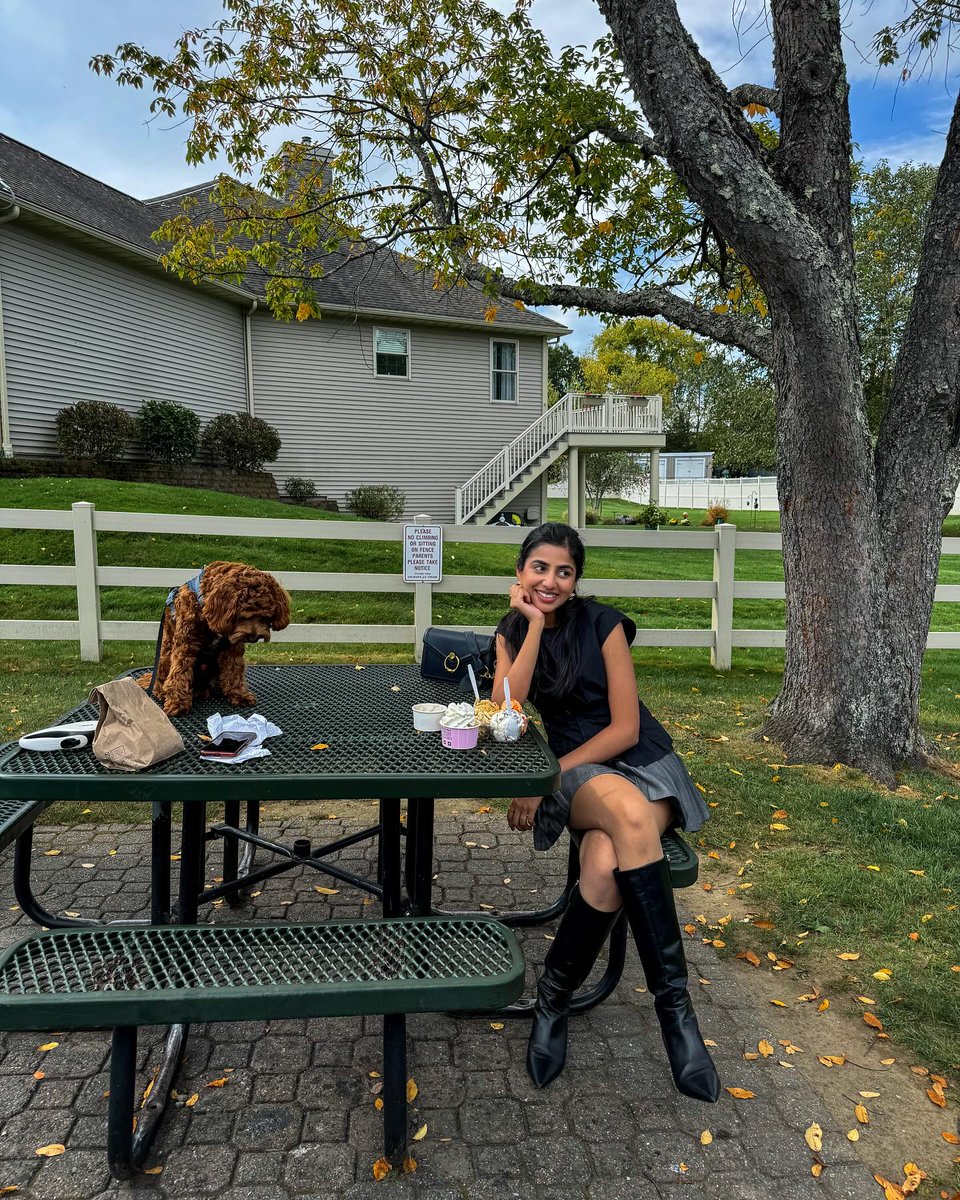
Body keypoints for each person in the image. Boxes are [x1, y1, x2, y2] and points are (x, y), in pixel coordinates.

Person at [492, 522, 720, 1102]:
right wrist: (535, 627)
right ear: (520, 572)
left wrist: (550, 775)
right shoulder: (512, 631)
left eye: (563, 571)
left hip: (643, 763)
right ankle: (679, 1020)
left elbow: (625, 728)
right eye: (540, 568)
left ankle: (554, 1001)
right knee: (631, 819)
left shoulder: (606, 624)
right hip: (582, 773)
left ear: (576, 579)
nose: (551, 580)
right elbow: (506, 712)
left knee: (603, 863)